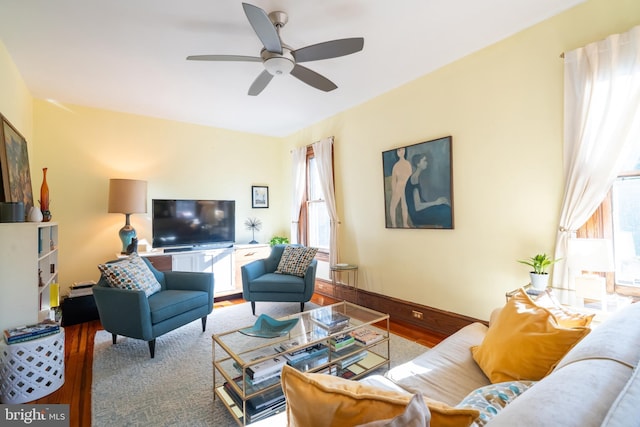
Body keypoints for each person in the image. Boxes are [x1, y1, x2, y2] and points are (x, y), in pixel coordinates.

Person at [404, 153, 451, 228]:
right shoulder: (414, 179)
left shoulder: (415, 177)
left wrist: (439, 203)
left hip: (420, 212)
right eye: (424, 160)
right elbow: (417, 206)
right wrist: (436, 202)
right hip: (417, 216)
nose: (427, 163)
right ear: (418, 164)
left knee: (445, 207)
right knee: (447, 212)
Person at [388, 147, 412, 227]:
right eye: (399, 150)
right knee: (393, 205)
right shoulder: (396, 166)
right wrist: (394, 191)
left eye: (403, 150)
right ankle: (393, 224)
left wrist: (409, 188)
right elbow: (393, 180)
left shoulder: (408, 164)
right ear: (396, 153)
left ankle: (405, 224)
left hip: (406, 187)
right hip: (398, 187)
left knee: (404, 206)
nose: (401, 152)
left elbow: (410, 177)